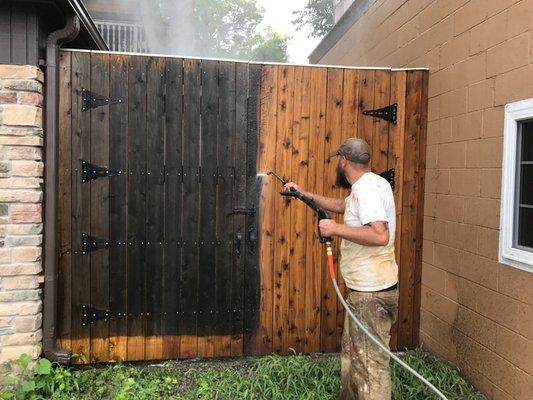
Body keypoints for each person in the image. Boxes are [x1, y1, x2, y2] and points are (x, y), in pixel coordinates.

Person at [283, 137, 399, 400]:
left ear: (343, 160)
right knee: (353, 354)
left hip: (371, 294)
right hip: (366, 291)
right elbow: (343, 206)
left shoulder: (366, 189)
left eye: (338, 159)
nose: (337, 163)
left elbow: (379, 235)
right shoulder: (372, 184)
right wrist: (303, 194)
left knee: (371, 367)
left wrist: (334, 229)